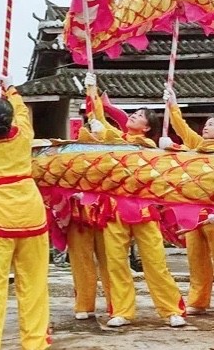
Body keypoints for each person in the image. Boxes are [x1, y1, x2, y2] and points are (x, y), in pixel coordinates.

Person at [80, 74, 187, 329]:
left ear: (147, 127)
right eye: (134, 113)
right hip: (114, 209)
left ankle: (171, 309)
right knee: (117, 263)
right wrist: (92, 90)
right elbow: (100, 121)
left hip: (143, 209)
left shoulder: (146, 143)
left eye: (139, 116)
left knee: (155, 263)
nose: (133, 116)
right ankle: (122, 310)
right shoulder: (116, 138)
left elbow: (111, 135)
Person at [0, 75, 51, 350]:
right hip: (31, 215)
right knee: (35, 285)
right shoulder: (25, 136)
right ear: (11, 118)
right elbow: (23, 112)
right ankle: (36, 343)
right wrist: (10, 88)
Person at [162, 89, 214, 318]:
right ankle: (198, 300)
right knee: (196, 260)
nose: (206, 127)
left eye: (211, 125)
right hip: (194, 213)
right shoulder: (197, 146)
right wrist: (172, 106)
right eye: (205, 124)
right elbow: (182, 129)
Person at [66, 192, 112, 321]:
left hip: (104, 206)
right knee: (80, 260)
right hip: (76, 210)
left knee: (111, 259)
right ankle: (84, 305)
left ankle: (116, 305)